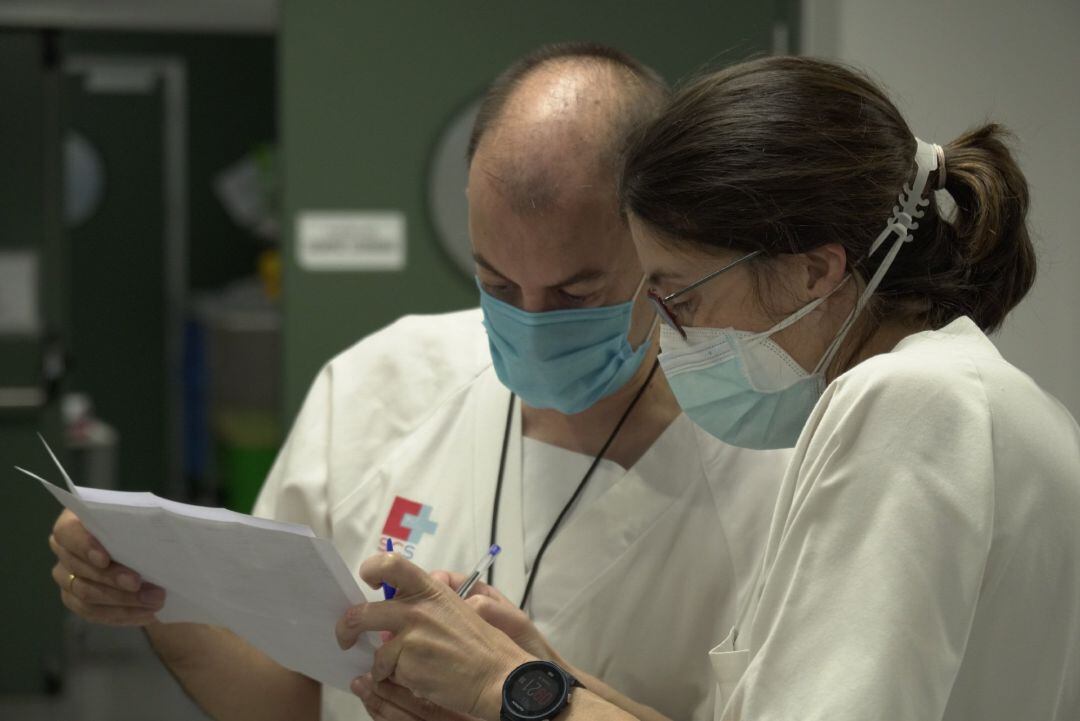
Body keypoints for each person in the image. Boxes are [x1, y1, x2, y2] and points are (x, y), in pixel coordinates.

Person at [46, 44, 791, 721]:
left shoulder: (767, 468)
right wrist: (157, 597)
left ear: (661, 253)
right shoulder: (378, 384)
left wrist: (516, 694)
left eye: (576, 295)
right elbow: (289, 700)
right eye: (497, 282)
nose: (530, 320)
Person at [335, 56, 1080, 721]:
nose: (666, 336)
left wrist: (507, 691)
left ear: (813, 271)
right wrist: (544, 672)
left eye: (679, 298)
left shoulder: (910, 402)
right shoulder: (986, 397)